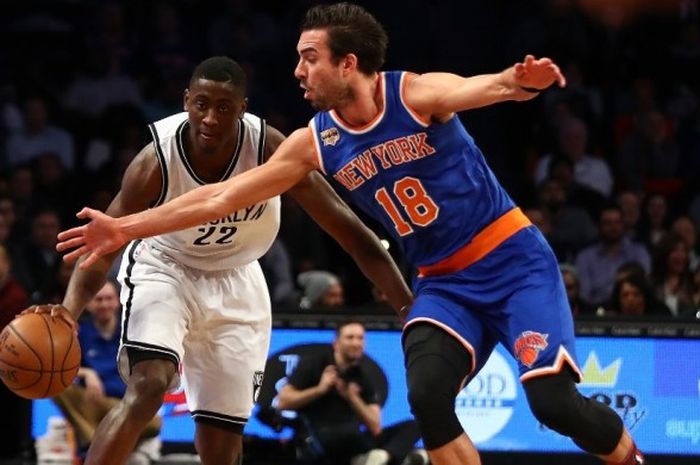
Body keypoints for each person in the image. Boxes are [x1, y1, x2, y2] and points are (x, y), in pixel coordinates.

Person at [56, 4, 646, 465]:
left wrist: (522, 79)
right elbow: (220, 196)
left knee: (552, 404)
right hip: (441, 282)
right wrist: (122, 229)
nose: (297, 71)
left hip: (512, 262)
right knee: (428, 398)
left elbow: (485, 87)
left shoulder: (412, 94)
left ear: (347, 64)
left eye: (309, 57)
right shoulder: (313, 141)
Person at [32, 55, 412, 465]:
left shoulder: (270, 149)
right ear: (186, 101)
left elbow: (352, 233)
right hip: (167, 267)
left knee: (220, 444)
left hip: (238, 278)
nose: (210, 117)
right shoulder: (154, 161)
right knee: (148, 388)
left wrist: (410, 310)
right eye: (201, 104)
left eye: (224, 107)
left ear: (242, 108)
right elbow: (105, 242)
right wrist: (69, 311)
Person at [276, 320, 424, 465]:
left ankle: (383, 455)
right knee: (347, 435)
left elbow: (375, 425)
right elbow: (283, 402)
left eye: (360, 338)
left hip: (354, 437)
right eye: (350, 337)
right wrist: (319, 390)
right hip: (319, 435)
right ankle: (395, 458)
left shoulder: (363, 376)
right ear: (336, 343)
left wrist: (351, 397)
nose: (356, 343)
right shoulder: (314, 364)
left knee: (415, 425)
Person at [53, 280, 161, 464]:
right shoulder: (80, 333)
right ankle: (94, 442)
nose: (104, 304)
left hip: (125, 404)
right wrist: (87, 373)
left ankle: (97, 445)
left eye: (109, 299)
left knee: (155, 422)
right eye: (99, 299)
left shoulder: (133, 330)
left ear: (118, 301)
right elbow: (60, 366)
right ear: (88, 304)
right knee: (56, 384)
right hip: (92, 402)